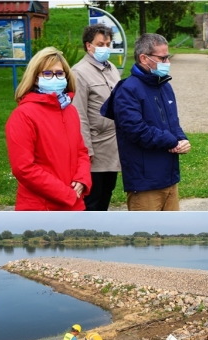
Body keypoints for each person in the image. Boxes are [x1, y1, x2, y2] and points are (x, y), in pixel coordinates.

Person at [101, 33, 190, 211]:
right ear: (144, 58)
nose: (167, 62)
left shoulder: (164, 85)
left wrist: (181, 138)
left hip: (169, 178)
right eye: (162, 58)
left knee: (173, 234)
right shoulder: (127, 90)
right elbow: (136, 130)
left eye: (168, 57)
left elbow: (173, 122)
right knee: (148, 236)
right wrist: (171, 141)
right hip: (145, 183)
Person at [5, 47, 91, 210]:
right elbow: (23, 168)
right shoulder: (23, 115)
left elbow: (81, 151)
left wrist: (82, 179)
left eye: (59, 73)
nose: (55, 77)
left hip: (74, 204)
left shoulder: (69, 110)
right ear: (36, 78)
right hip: (40, 207)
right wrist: (66, 194)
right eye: (47, 73)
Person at [71, 24, 121, 211]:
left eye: (108, 44)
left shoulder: (111, 68)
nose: (106, 48)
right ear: (88, 46)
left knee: (107, 193)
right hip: (94, 147)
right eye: (101, 44)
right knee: (92, 199)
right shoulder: (79, 72)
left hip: (113, 146)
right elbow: (78, 114)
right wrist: (86, 150)